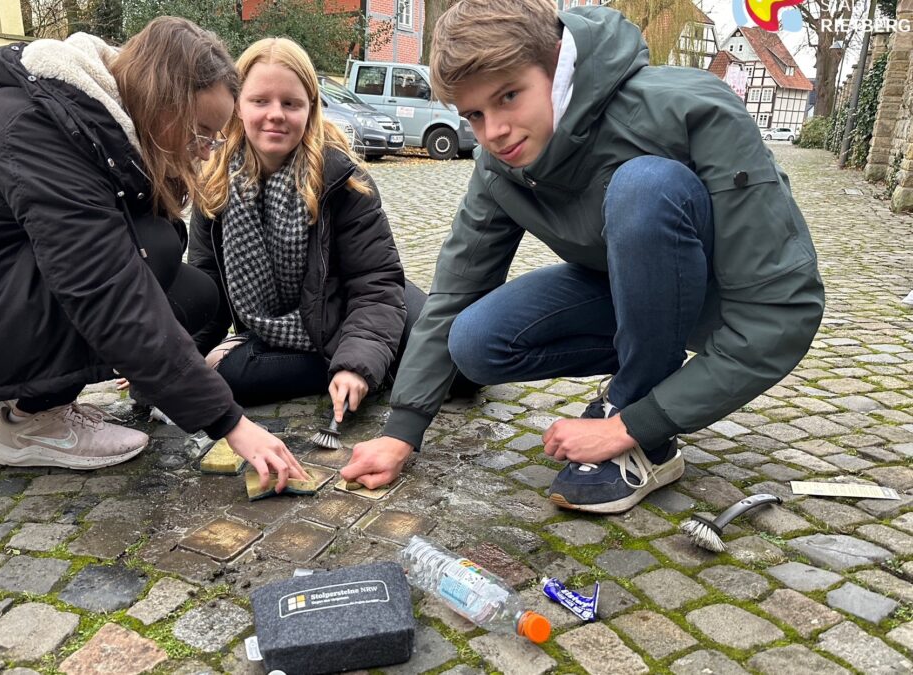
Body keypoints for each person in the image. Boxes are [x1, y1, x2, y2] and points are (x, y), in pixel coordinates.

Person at [341, 0, 825, 514]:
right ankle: (644, 361)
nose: (495, 132)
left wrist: (629, 425)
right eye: (475, 115)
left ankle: (644, 428)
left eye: (508, 97)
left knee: (643, 185)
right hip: (622, 291)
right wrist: (404, 429)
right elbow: (455, 292)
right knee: (475, 341)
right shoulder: (497, 167)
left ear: (555, 62)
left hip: (715, 300)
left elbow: (783, 312)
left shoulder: (690, 107)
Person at [0, 18, 309, 490]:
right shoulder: (40, 129)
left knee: (189, 286)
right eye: (200, 133)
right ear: (160, 102)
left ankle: (24, 395)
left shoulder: (92, 118)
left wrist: (169, 374)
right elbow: (105, 287)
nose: (206, 153)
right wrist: (229, 422)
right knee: (148, 253)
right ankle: (31, 425)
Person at [188, 37, 428, 424]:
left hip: (358, 306)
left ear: (310, 108)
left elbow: (376, 284)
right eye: (260, 101)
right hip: (285, 331)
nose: (276, 114)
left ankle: (371, 363)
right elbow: (207, 287)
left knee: (461, 370)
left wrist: (356, 364)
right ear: (237, 106)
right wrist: (175, 362)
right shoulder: (214, 185)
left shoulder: (343, 180)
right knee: (227, 376)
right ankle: (377, 363)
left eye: (291, 103)